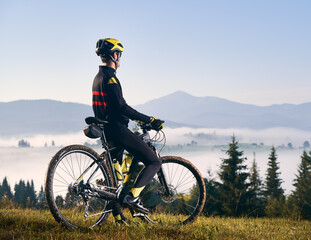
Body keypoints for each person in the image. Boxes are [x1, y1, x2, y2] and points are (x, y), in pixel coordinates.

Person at [92, 38, 164, 223]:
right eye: (120, 55)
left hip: (105, 131)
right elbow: (122, 108)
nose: (121, 58)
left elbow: (108, 107)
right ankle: (132, 198)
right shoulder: (111, 78)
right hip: (117, 130)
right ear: (114, 55)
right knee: (154, 161)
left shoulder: (98, 78)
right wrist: (149, 119)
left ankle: (118, 217)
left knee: (114, 182)